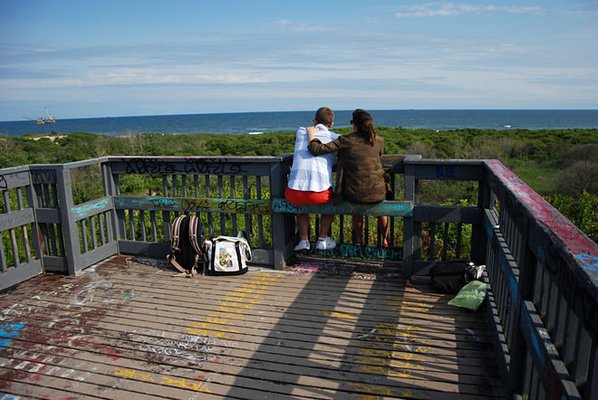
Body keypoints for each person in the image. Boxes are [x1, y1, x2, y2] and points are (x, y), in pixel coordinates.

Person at [307, 109, 389, 247]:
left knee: (356, 207)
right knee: (381, 209)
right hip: (378, 191)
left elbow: (317, 150)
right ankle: (385, 240)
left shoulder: (346, 140)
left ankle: (358, 239)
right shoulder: (379, 140)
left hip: (355, 192)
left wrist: (312, 137)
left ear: (354, 125)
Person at [285, 107, 339, 251]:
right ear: (332, 123)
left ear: (314, 120)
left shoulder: (301, 131)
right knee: (333, 200)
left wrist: (312, 133)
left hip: (294, 192)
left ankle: (304, 240)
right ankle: (322, 239)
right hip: (319, 195)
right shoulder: (335, 137)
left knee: (301, 203)